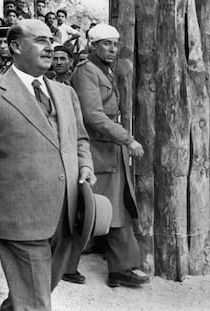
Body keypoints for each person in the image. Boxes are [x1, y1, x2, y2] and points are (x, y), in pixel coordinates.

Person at [0, 19, 95, 310]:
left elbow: (80, 139)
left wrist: (85, 166)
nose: (49, 46)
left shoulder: (65, 93)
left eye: (51, 40)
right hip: (18, 215)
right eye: (40, 40)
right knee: (35, 301)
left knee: (35, 290)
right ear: (16, 47)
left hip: (65, 213)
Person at [70, 23, 150, 287]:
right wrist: (127, 138)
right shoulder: (86, 71)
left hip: (108, 151)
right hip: (96, 151)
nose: (113, 49)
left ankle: (120, 268)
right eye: (106, 43)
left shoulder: (103, 70)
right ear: (92, 46)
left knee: (114, 209)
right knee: (93, 211)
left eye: (115, 44)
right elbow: (92, 116)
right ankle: (68, 265)